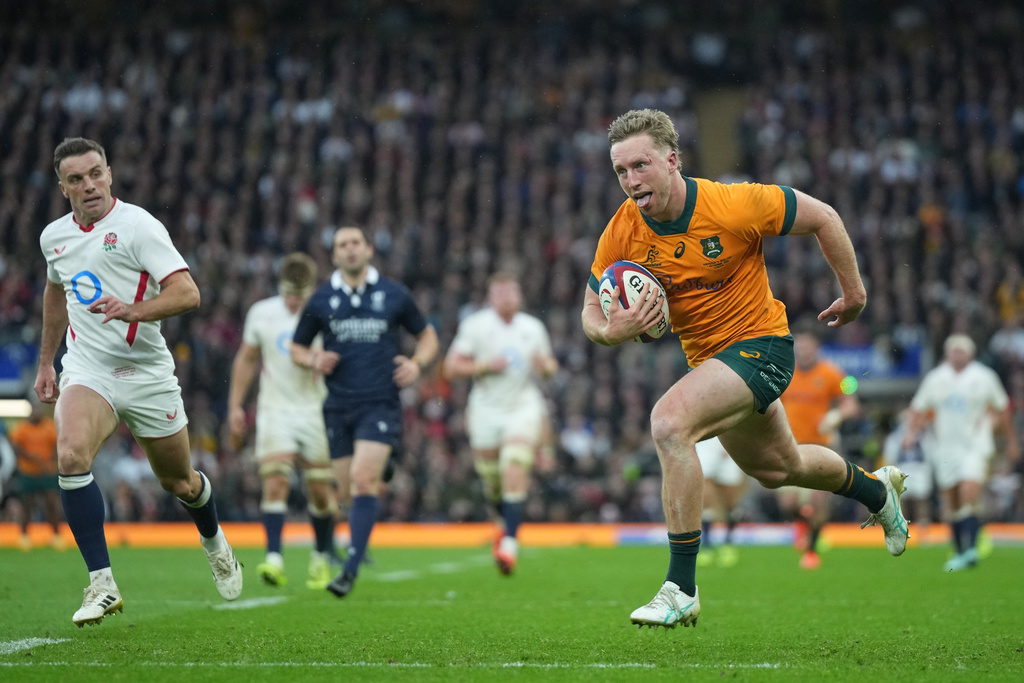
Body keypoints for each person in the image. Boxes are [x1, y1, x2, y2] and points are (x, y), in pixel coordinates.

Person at [580, 109, 909, 629]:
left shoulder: (731, 203)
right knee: (780, 469)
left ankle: (680, 587)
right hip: (714, 365)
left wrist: (854, 292)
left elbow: (823, 216)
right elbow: (590, 313)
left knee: (669, 423)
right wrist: (610, 331)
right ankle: (877, 491)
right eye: (620, 171)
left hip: (764, 347)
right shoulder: (622, 232)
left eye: (639, 165)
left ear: (671, 160)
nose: (630, 180)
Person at [35, 137, 242, 627]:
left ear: (110, 174)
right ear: (62, 187)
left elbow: (188, 293)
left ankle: (215, 542)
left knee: (180, 482)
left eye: (95, 173)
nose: (89, 185)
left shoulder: (138, 226)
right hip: (89, 370)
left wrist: (135, 309)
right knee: (69, 455)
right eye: (77, 179)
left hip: (147, 374)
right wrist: (48, 362)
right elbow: (55, 292)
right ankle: (101, 583)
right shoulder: (54, 237)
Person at [291, 226, 438, 598]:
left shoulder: (393, 294)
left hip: (380, 403)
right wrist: (313, 358)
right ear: (334, 255)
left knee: (360, 481)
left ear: (369, 249)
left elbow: (428, 336)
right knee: (348, 493)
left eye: (356, 242)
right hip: (338, 407)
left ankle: (350, 569)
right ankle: (384, 466)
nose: (350, 249)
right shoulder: (322, 299)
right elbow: (296, 348)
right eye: (342, 244)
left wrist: (418, 364)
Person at [228, 252, 339, 590]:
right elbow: (247, 359)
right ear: (281, 288)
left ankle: (320, 556)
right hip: (275, 409)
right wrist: (235, 406)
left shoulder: (327, 312)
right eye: (289, 294)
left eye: (300, 295)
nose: (294, 302)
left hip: (316, 410)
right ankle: (274, 558)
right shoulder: (262, 314)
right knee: (275, 481)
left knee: (319, 491)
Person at [443, 271, 559, 575]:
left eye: (512, 293)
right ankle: (501, 522)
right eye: (501, 293)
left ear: (519, 297)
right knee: (492, 481)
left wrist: (545, 367)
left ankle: (509, 543)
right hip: (485, 410)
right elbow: (451, 367)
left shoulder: (533, 328)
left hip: (522, 406)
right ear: (491, 297)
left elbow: (549, 367)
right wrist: (483, 366)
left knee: (514, 465)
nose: (507, 298)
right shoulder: (476, 326)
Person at [901, 334, 1020, 571]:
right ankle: (959, 549)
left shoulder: (984, 377)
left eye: (962, 350)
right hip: (944, 447)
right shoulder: (936, 378)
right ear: (947, 353)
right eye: (954, 350)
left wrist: (1011, 441)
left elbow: (1002, 407)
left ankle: (971, 548)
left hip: (975, 445)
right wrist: (911, 433)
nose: (958, 353)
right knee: (951, 501)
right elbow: (918, 407)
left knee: (969, 489)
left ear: (971, 353)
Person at [778, 328, 860, 570]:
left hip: (821, 446)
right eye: (799, 346)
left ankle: (812, 551)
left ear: (816, 347)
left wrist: (837, 414)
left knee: (818, 499)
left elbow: (851, 402)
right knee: (789, 504)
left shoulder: (831, 373)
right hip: (790, 446)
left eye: (807, 346)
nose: (803, 350)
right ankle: (805, 526)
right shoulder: (785, 372)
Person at [7, 402, 64, 551]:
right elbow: (14, 445)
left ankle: (56, 536)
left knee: (51, 503)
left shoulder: (48, 426)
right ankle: (24, 536)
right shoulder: (22, 428)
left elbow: (56, 445)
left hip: (47, 471)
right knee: (27, 504)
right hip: (28, 471)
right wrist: (30, 457)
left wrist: (50, 460)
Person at [694, 436, 747, 568]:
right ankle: (706, 546)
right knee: (706, 500)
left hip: (728, 449)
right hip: (705, 448)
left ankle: (728, 542)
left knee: (730, 503)